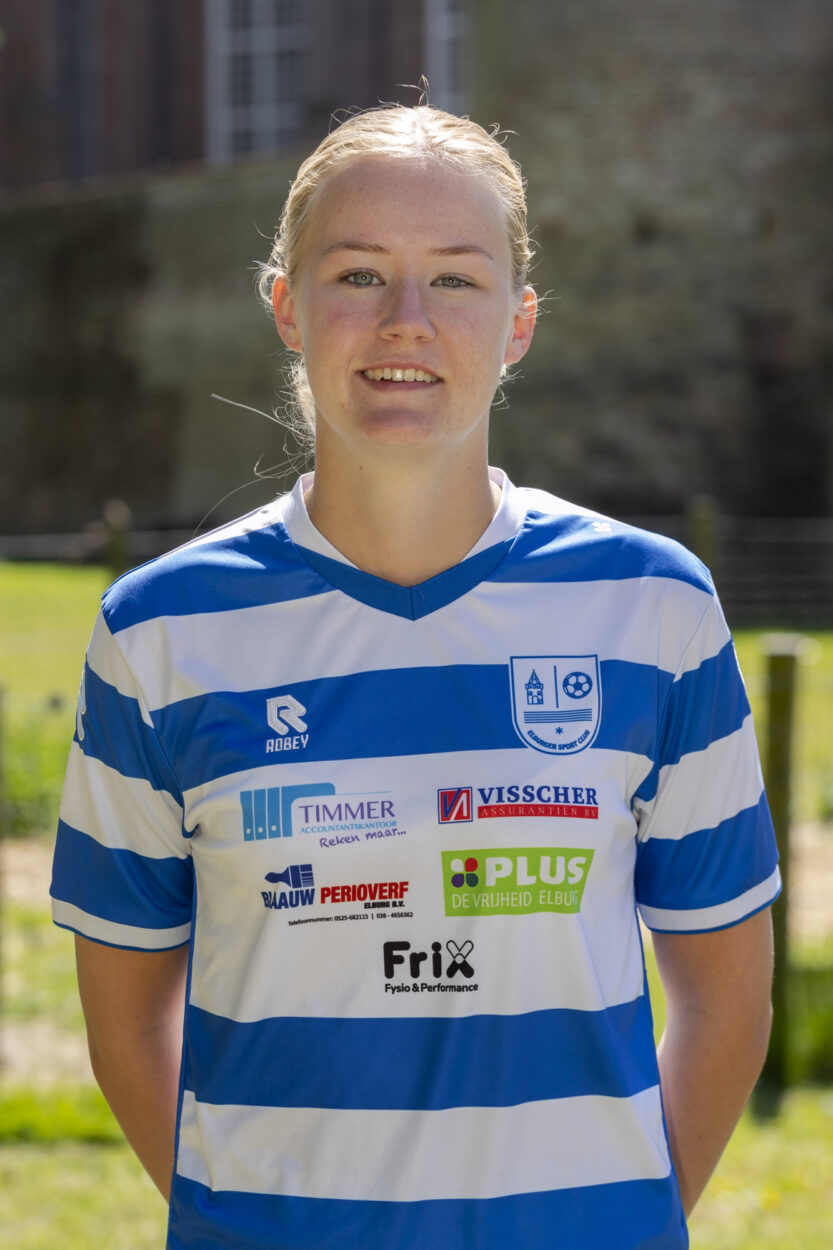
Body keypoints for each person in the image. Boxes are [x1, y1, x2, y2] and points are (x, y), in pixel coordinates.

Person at [51, 103, 779, 1250]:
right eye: (357, 274)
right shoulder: (158, 634)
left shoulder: (653, 609)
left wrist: (615, 1221)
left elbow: (724, 999)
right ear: (286, 306)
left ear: (518, 321)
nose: (405, 318)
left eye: (454, 278)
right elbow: (129, 1026)